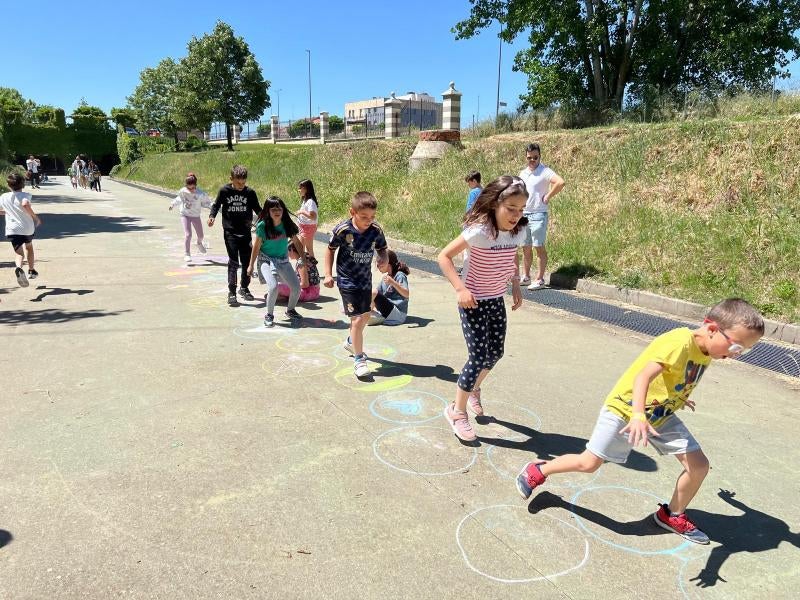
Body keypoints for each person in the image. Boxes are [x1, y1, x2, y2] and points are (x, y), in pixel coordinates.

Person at [516, 298, 764, 545]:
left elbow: (675, 376)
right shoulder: (678, 343)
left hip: (660, 413)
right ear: (711, 329)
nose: (736, 355)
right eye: (735, 348)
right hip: (626, 409)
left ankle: (671, 515)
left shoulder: (709, 349)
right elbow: (642, 377)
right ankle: (538, 470)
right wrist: (637, 416)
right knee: (588, 463)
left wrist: (681, 397)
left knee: (698, 466)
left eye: (744, 351)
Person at [437, 175, 528, 442]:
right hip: (473, 301)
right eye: (511, 208)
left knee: (495, 353)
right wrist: (460, 289)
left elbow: (511, 257)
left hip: (495, 298)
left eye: (521, 209)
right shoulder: (479, 231)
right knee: (477, 357)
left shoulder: (519, 230)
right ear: (495, 203)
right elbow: (443, 256)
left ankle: (474, 389)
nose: (516, 215)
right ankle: (456, 411)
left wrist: (515, 284)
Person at [323, 191, 389, 378]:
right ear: (352, 212)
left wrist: (383, 259)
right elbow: (330, 250)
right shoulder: (342, 230)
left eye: (372, 216)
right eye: (364, 217)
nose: (369, 220)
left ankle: (352, 341)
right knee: (358, 320)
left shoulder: (376, 230)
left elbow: (382, 248)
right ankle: (359, 360)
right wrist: (328, 274)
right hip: (347, 280)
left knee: (366, 316)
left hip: (365, 280)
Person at [246, 196, 305, 327]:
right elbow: (256, 247)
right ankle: (269, 314)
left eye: (279, 208)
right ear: (267, 211)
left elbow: (297, 243)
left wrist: (303, 259)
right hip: (265, 260)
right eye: (273, 209)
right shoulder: (263, 226)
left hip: (282, 260)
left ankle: (290, 310)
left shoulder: (287, 224)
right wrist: (250, 265)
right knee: (273, 286)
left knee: (296, 287)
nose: (277, 211)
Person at [208, 164, 262, 307]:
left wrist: (268, 220)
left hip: (245, 233)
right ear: (231, 178)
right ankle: (232, 291)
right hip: (230, 232)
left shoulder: (250, 193)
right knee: (233, 262)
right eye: (238, 183)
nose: (241, 186)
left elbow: (258, 210)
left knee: (246, 262)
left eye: (243, 183)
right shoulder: (224, 191)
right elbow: (216, 205)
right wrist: (212, 216)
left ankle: (244, 288)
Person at [518, 143, 565, 289]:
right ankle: (526, 276)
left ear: (540, 156)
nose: (532, 160)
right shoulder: (523, 173)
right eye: (529, 158)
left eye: (535, 157)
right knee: (525, 247)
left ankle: (539, 279)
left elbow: (560, 182)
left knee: (539, 247)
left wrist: (548, 196)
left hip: (538, 214)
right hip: (524, 213)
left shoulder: (545, 171)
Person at [0, 173, 42, 287]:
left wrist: (9, 212)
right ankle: (31, 270)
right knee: (29, 246)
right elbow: (24, 204)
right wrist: (36, 218)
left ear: (9, 185)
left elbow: (1, 211)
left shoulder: (3, 197)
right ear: (23, 184)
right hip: (27, 228)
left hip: (12, 230)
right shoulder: (25, 195)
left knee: (19, 253)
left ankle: (19, 268)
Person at [169, 173, 212, 262]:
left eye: (193, 188)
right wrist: (172, 204)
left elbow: (206, 203)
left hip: (195, 216)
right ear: (186, 186)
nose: (191, 190)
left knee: (201, 235)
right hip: (185, 215)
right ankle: (187, 254)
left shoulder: (200, 194)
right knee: (188, 235)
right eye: (189, 188)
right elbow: (179, 199)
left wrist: (213, 206)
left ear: (196, 185)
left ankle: (199, 243)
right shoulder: (183, 191)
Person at [369, 250, 410, 326]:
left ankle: (363, 312)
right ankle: (365, 313)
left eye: (379, 265)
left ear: (388, 264)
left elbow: (406, 294)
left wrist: (393, 283)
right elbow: (374, 296)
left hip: (398, 314)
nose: (378, 268)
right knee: (370, 292)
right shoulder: (386, 278)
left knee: (374, 292)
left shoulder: (399, 275)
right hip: (388, 311)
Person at [296, 179, 319, 258]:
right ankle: (304, 267)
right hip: (303, 227)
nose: (299, 190)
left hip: (308, 228)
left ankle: (312, 269)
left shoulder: (310, 202)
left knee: (309, 250)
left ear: (306, 189)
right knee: (300, 248)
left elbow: (313, 216)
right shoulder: (305, 200)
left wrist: (302, 212)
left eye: (300, 188)